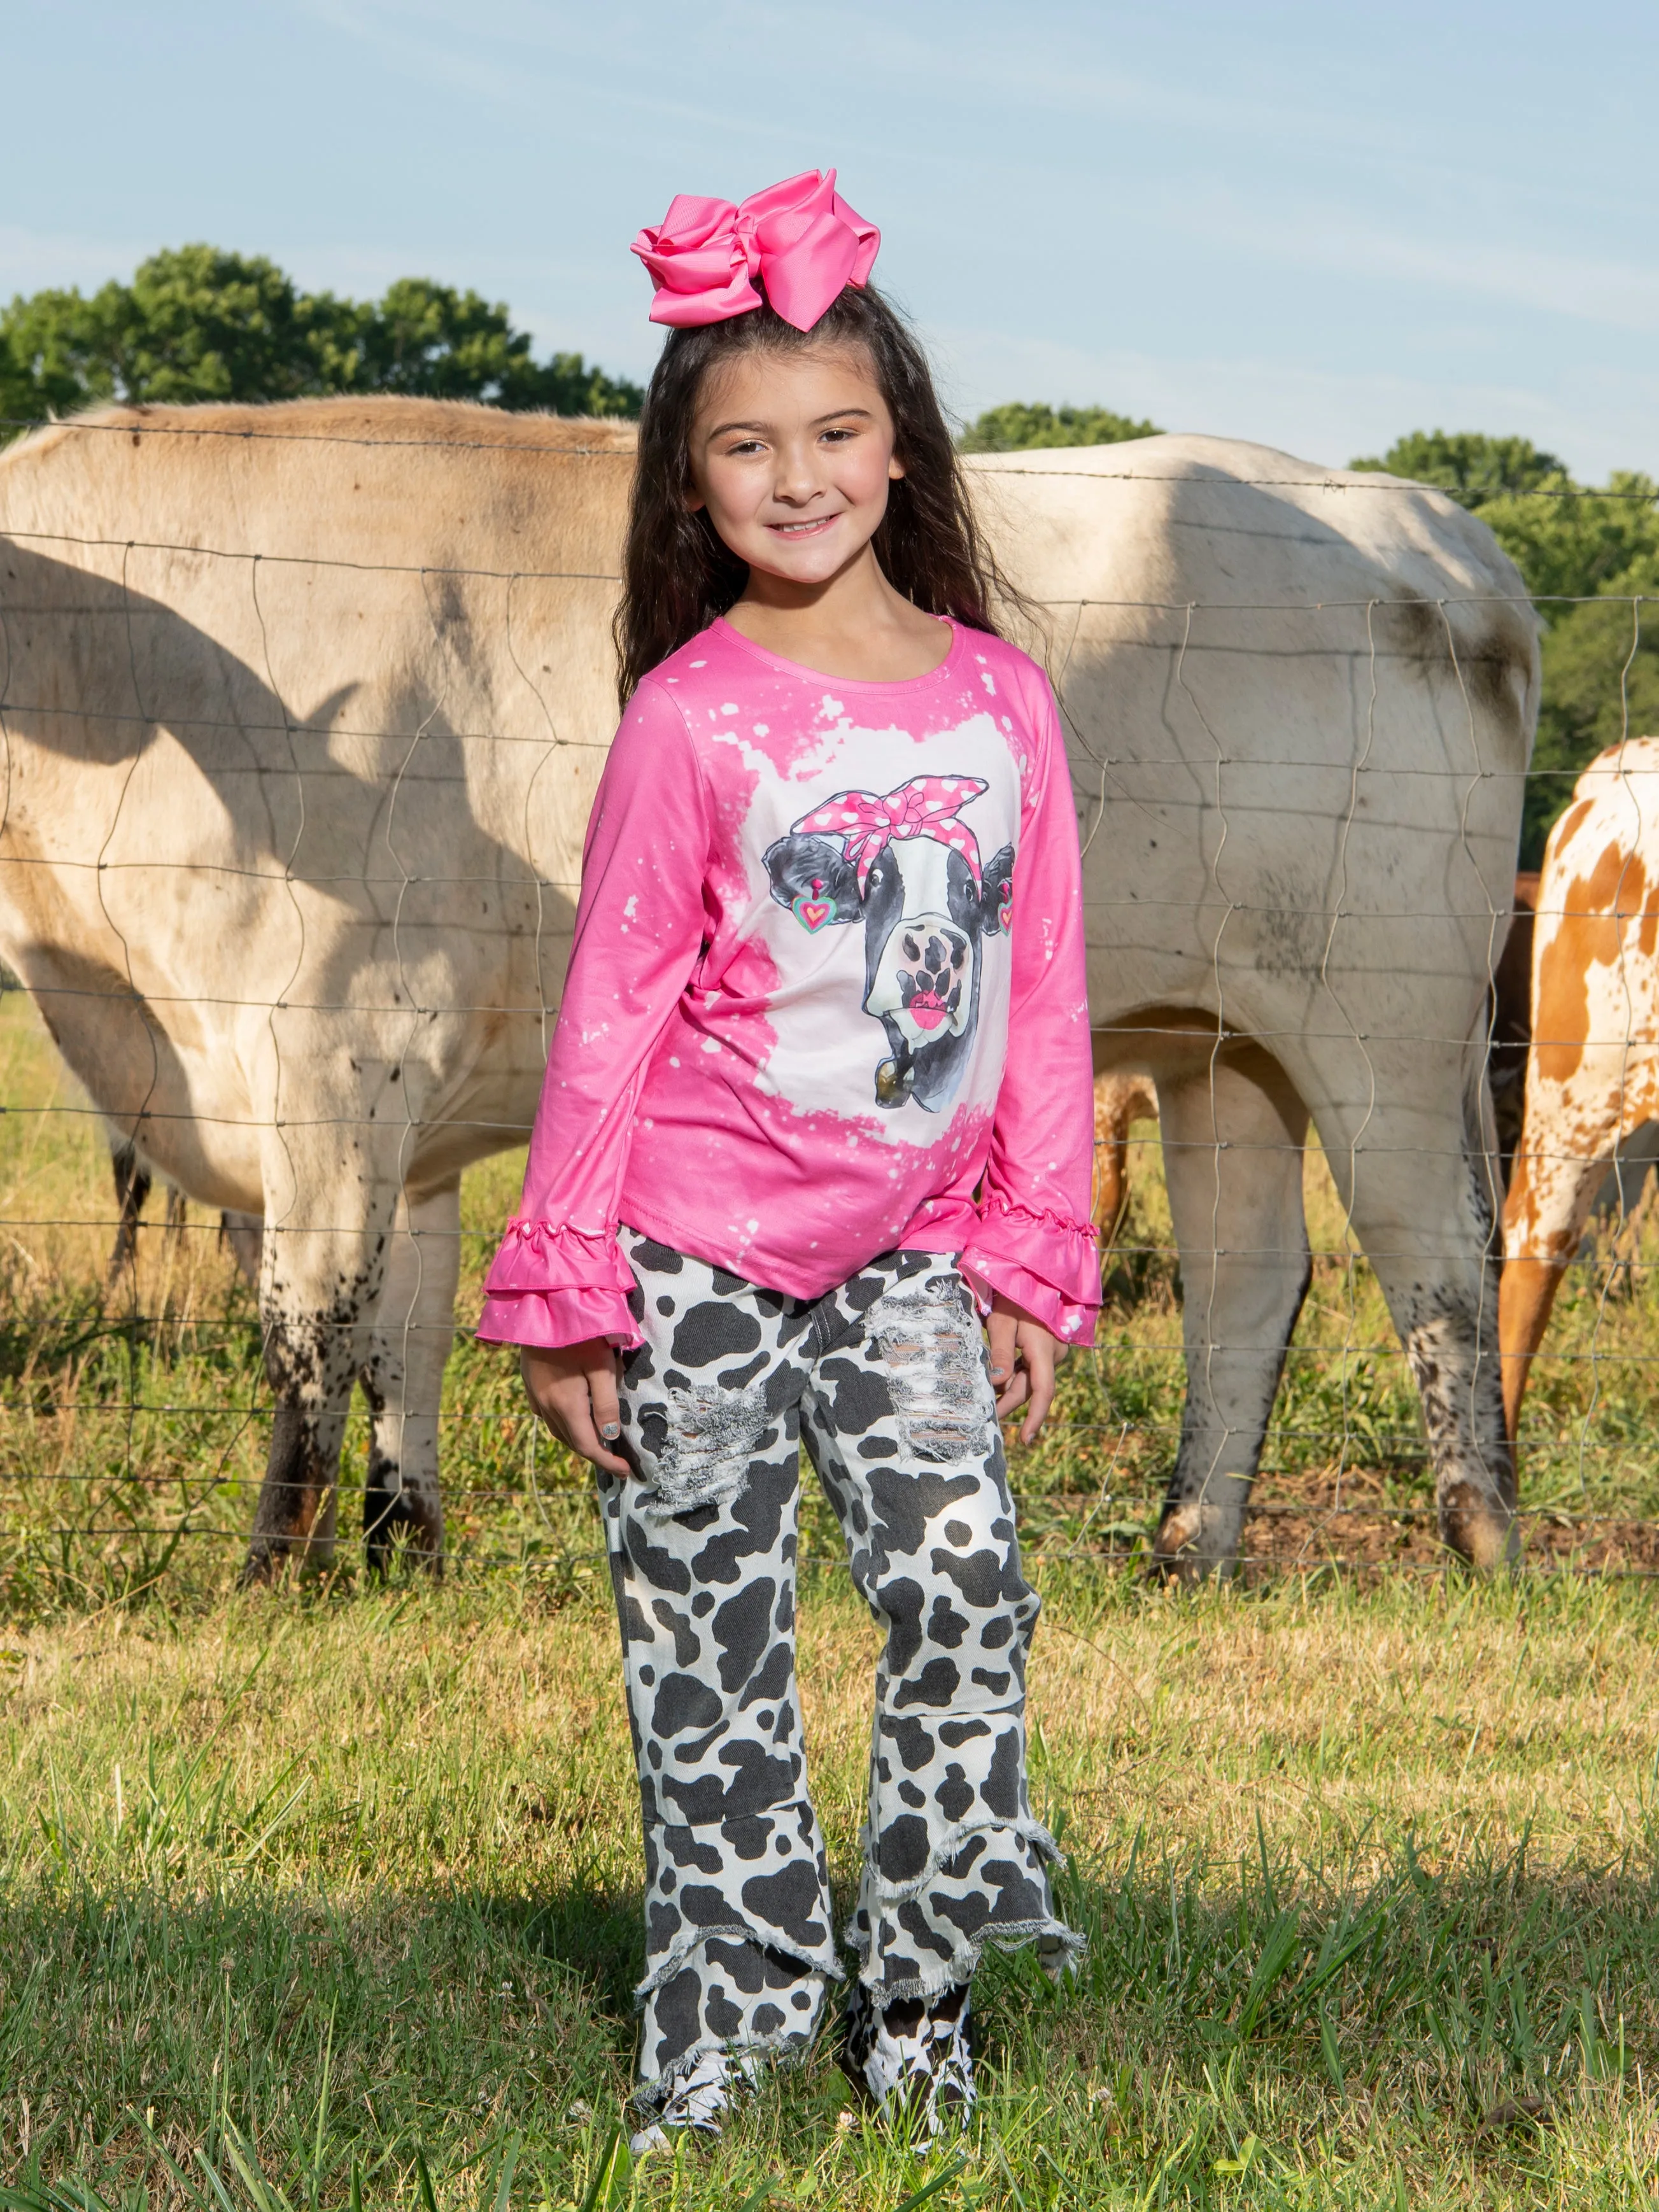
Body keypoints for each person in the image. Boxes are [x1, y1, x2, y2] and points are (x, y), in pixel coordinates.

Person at [479, 167, 1100, 2152]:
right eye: (744, 446)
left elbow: (1045, 983)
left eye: (833, 432)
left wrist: (1031, 1237)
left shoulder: (1002, 703)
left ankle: (912, 1992)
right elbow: (606, 1016)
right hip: (689, 1255)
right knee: (709, 1647)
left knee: (965, 1603)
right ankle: (727, 2025)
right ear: (690, 485)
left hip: (915, 1253)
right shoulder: (688, 721)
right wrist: (570, 1284)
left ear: (896, 448)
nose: (796, 473)